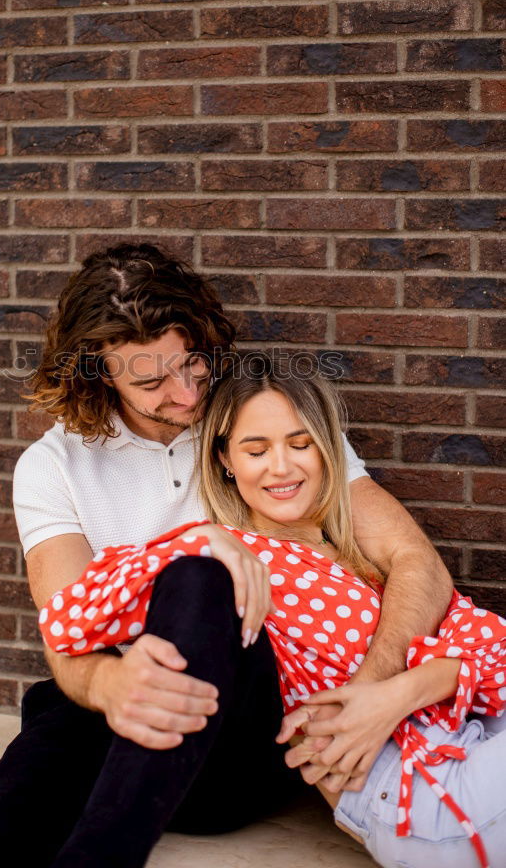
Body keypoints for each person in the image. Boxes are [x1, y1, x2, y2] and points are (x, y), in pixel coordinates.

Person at [0, 243, 453, 867]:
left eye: (193, 366)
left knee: (202, 577)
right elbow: (65, 630)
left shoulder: (268, 423)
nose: (184, 396)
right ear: (97, 376)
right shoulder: (53, 466)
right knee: (62, 710)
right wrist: (113, 682)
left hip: (244, 743)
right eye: (150, 381)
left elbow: (416, 561)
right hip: (128, 728)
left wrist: (370, 690)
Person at [38, 362, 506, 868]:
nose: (281, 468)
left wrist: (394, 694)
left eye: (300, 444)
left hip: (477, 740)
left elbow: (490, 640)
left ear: (328, 451)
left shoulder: (360, 559)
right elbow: (66, 620)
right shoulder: (238, 561)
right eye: (256, 450)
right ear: (225, 460)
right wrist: (192, 539)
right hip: (419, 790)